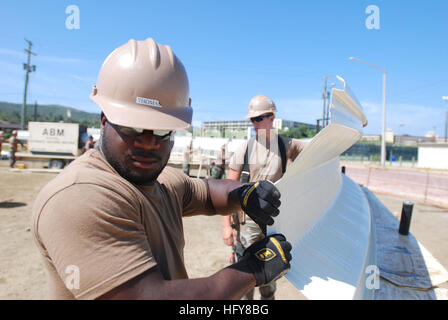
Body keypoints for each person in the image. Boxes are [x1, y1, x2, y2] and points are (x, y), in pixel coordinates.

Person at [31, 38, 292, 300]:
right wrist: (252, 270)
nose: (148, 142)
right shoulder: (79, 196)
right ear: (104, 120)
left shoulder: (160, 181)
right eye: (131, 127)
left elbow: (208, 192)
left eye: (161, 130)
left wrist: (245, 194)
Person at [222, 95, 307, 300]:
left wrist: (350, 130)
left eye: (260, 118)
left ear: (272, 117)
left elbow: (319, 149)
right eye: (252, 119)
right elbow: (227, 189)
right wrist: (226, 226)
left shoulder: (286, 145)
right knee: (243, 277)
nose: (255, 123)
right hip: (246, 224)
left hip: (273, 222)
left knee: (269, 276)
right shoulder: (245, 148)